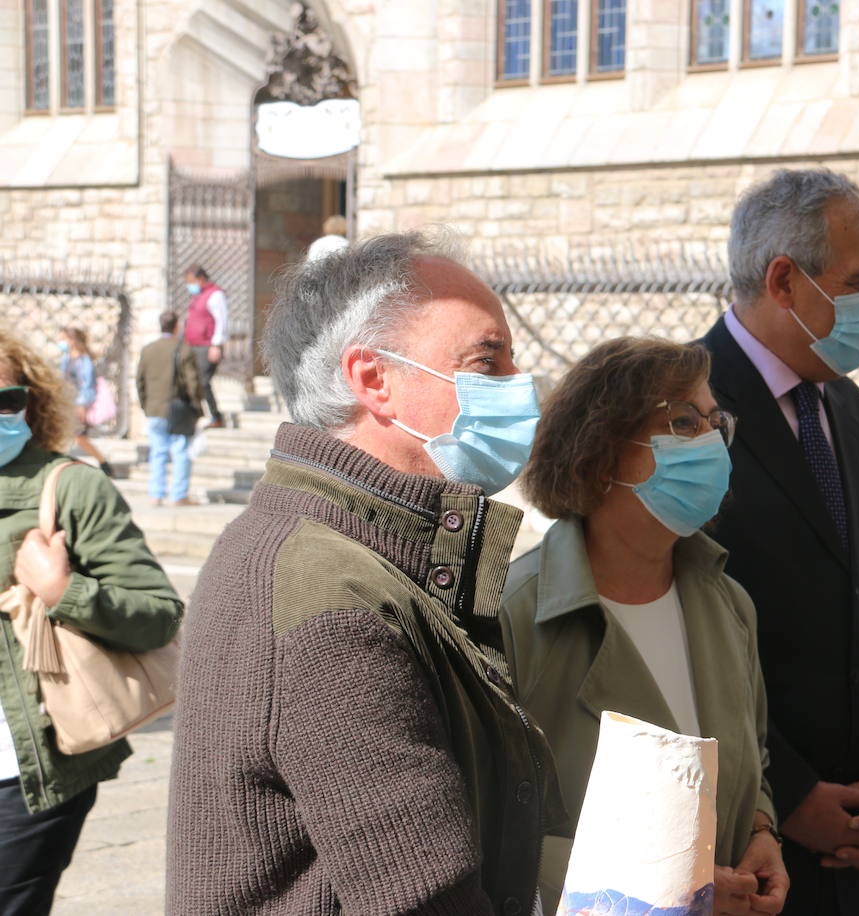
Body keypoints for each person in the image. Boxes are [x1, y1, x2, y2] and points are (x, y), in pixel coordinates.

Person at [167, 232, 562, 914]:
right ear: (374, 380)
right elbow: (428, 897)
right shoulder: (331, 596)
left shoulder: (357, 554)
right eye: (486, 362)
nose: (516, 388)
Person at [698, 168, 859, 916]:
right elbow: (675, 636)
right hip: (746, 849)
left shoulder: (857, 418)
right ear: (784, 281)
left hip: (858, 849)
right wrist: (789, 794)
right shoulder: (679, 415)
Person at [502, 337, 789, 916]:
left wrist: (763, 831)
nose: (709, 442)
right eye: (682, 423)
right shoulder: (514, 616)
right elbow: (493, 829)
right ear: (601, 453)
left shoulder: (729, 603)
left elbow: (750, 760)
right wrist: (681, 891)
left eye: (715, 422)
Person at [0, 330, 183, 915]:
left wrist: (63, 591)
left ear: (31, 403)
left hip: (25, 774)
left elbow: (158, 615)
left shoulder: (71, 487)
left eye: (6, 400)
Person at [136, 311, 203, 506]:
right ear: (176, 326)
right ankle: (179, 495)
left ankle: (156, 494)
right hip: (177, 408)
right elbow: (192, 381)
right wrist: (197, 406)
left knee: (158, 451)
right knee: (181, 449)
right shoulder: (183, 349)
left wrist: (145, 405)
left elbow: (140, 381)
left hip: (154, 408)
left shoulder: (148, 350)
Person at [58, 327, 112, 475]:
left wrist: (82, 405)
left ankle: (103, 463)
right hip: (68, 404)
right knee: (72, 436)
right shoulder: (67, 359)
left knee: (79, 437)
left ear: (72, 341)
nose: (61, 342)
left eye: (63, 339)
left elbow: (87, 385)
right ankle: (103, 463)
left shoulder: (84, 360)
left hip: (78, 405)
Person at [182, 266, 226, 429]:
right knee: (192, 380)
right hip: (193, 345)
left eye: (191, 282)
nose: (189, 285)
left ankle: (216, 416)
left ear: (200, 279)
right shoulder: (197, 295)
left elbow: (221, 321)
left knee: (203, 381)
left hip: (207, 347)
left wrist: (216, 345)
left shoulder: (215, 295)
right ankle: (196, 414)